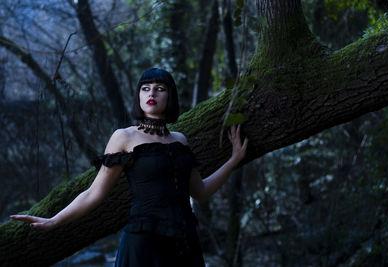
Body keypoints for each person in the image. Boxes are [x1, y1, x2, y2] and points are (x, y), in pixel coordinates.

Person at [10, 68, 248, 266]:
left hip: (185, 242)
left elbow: (201, 191)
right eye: (145, 88)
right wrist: (54, 220)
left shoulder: (180, 140)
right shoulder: (124, 137)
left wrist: (234, 159)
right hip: (144, 243)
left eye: (160, 88)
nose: (151, 93)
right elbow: (94, 192)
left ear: (170, 96)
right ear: (139, 96)